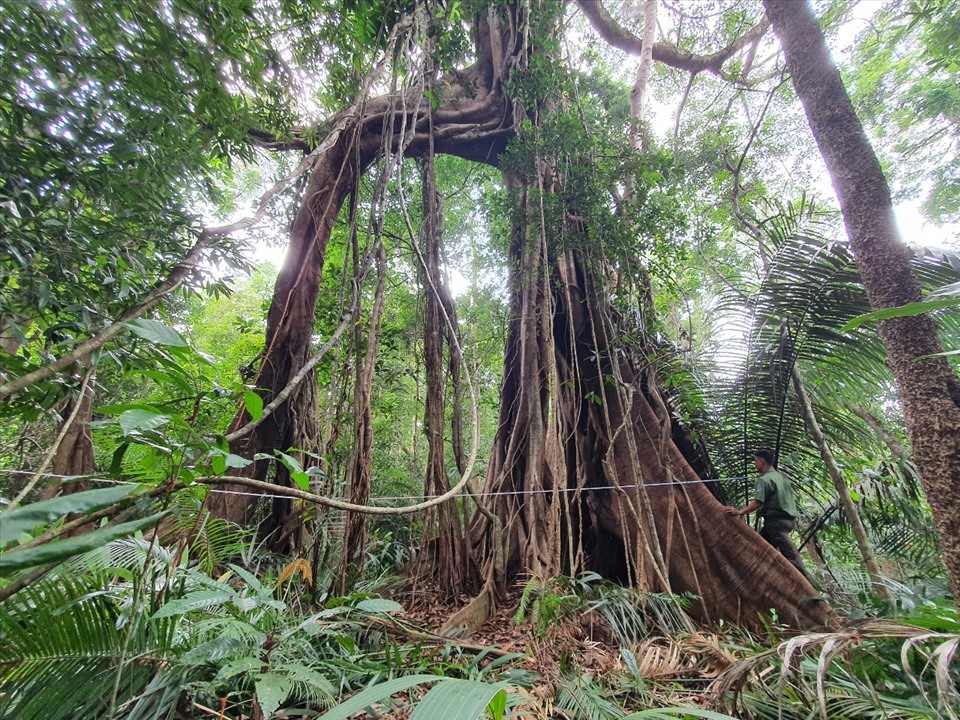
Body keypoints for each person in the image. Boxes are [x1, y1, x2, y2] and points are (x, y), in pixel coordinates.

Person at [725, 449, 813, 583]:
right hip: (788, 521)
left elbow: (757, 502)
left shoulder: (764, 479)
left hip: (776, 523)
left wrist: (740, 512)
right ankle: (756, 579)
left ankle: (808, 584)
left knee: (791, 555)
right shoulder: (781, 477)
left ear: (762, 461)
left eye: (755, 461)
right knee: (759, 550)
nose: (755, 464)